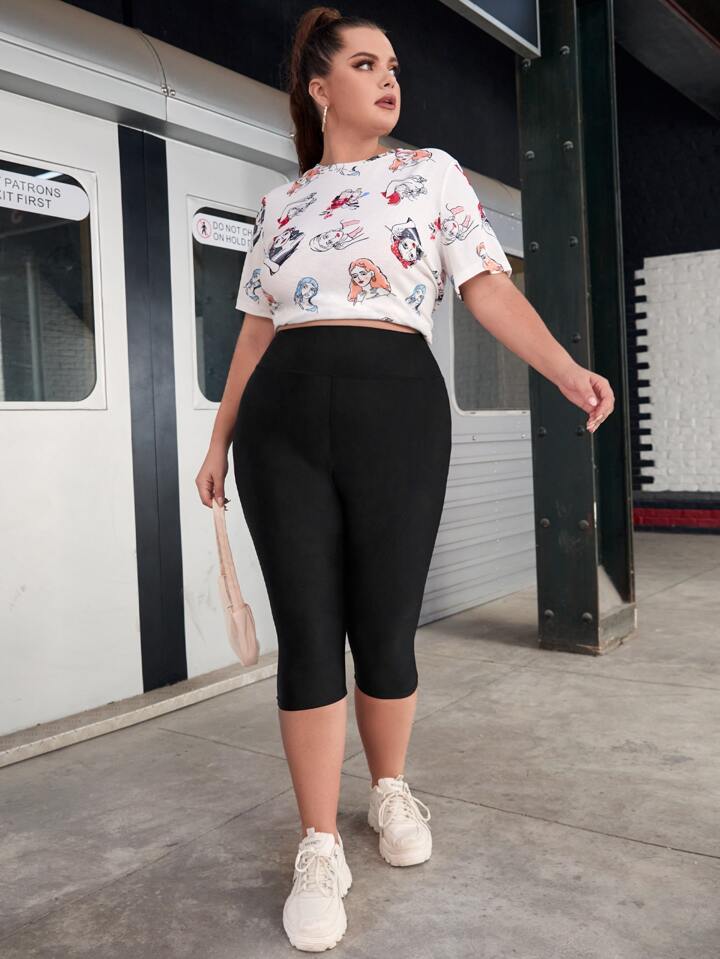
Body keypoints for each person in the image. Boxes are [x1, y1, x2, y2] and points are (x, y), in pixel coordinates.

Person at [195, 7, 615, 952]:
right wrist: (219, 441)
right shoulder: (280, 204)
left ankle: (387, 788)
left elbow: (486, 287)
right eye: (365, 63)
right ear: (319, 87)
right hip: (282, 419)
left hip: (398, 409)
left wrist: (563, 368)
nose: (389, 78)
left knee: (385, 627)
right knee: (309, 633)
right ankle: (317, 843)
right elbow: (254, 333)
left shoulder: (430, 174)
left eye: (393, 64)